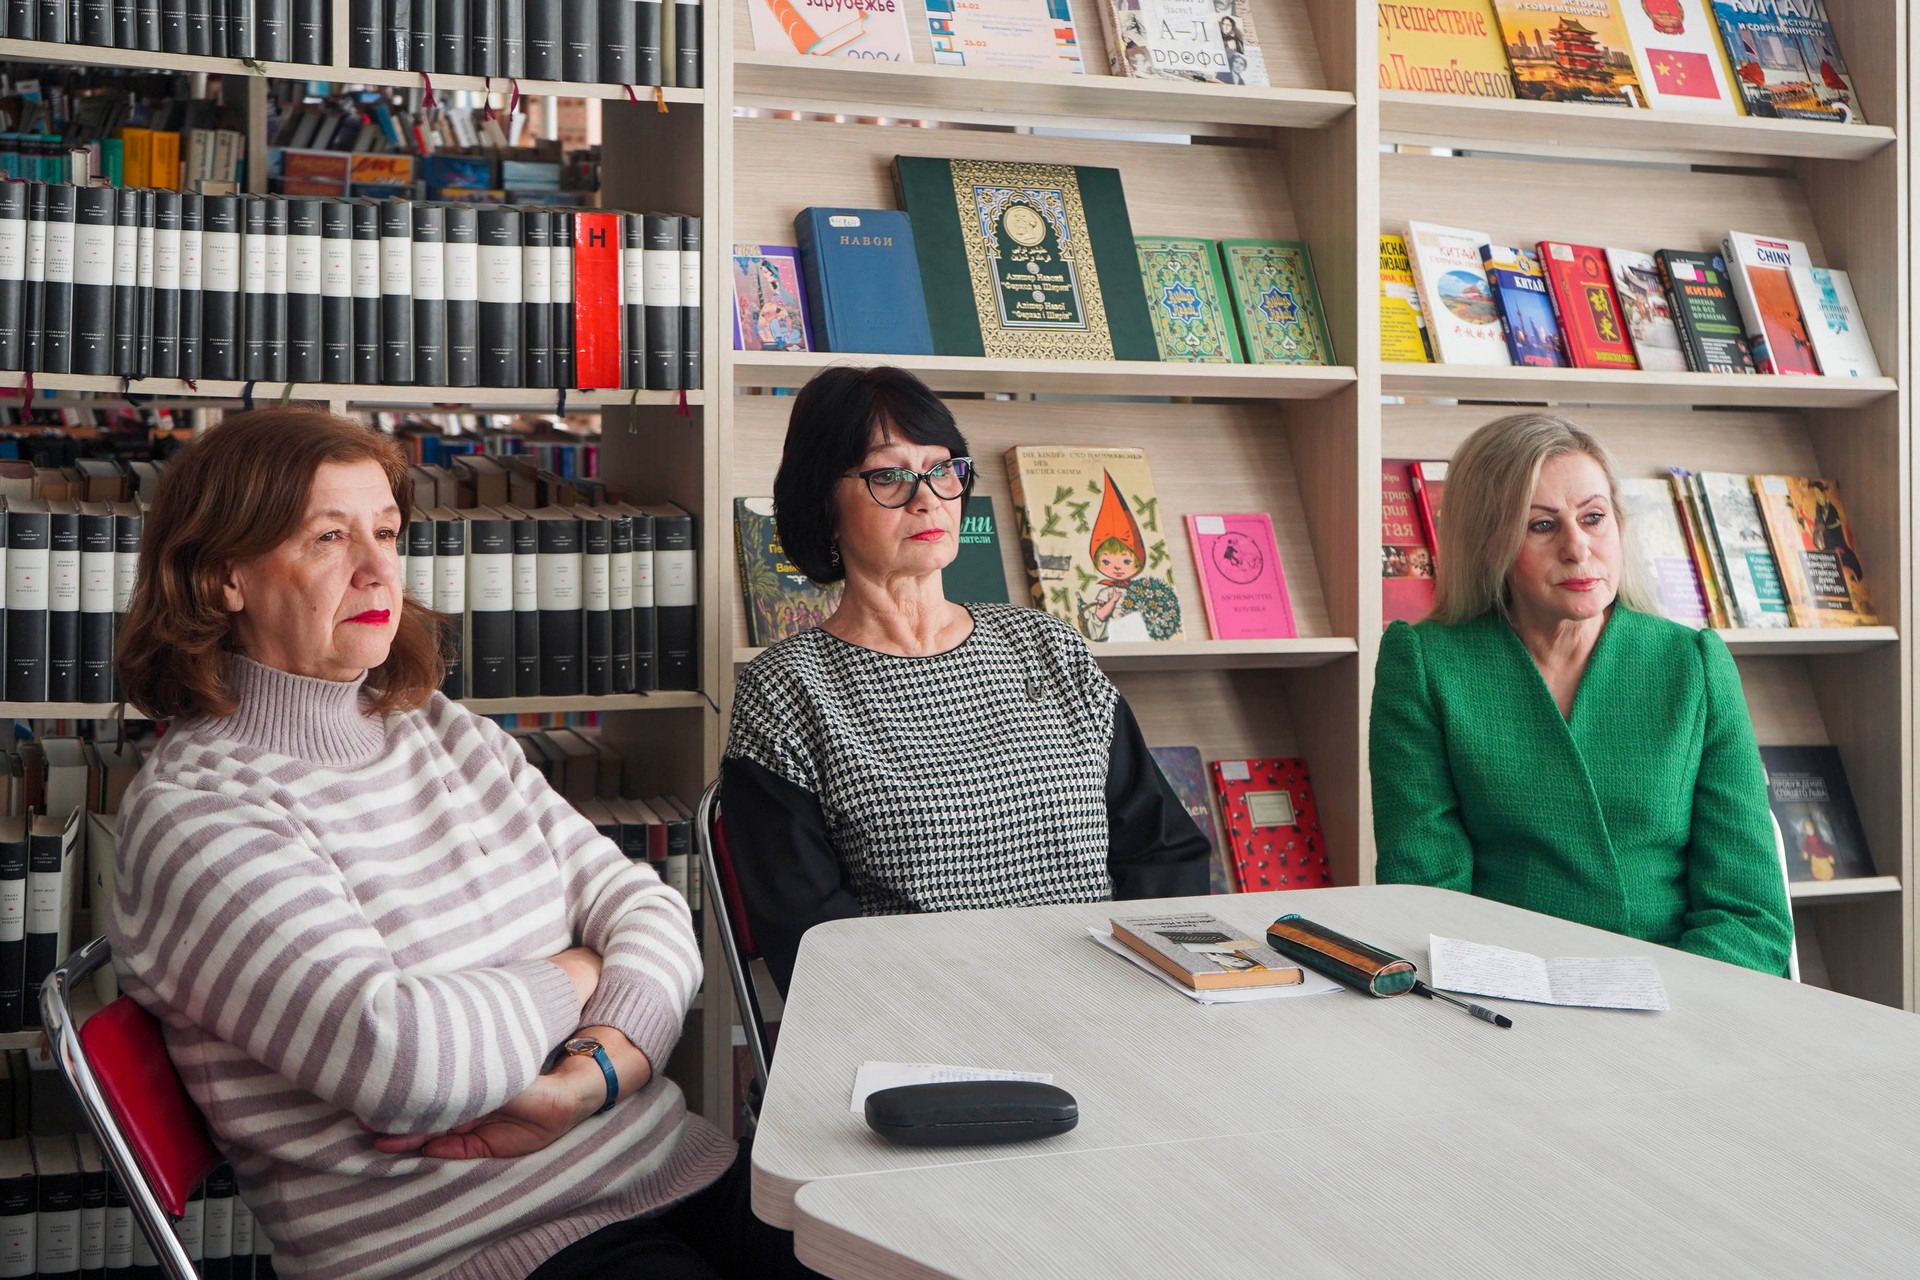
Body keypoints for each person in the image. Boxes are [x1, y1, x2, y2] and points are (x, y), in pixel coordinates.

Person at [108, 410, 813, 1280]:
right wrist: (584, 969)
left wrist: (595, 1073)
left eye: (386, 532)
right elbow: (411, 1060)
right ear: (224, 577)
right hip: (481, 1248)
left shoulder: (441, 730)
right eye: (329, 536)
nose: (377, 569)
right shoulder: (198, 816)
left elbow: (649, 908)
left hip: (669, 1167)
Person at [722, 366, 1210, 993]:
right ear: (824, 505)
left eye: (942, 468)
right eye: (888, 476)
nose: (927, 497)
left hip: (1109, 1001)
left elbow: (1163, 852)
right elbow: (812, 939)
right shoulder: (786, 691)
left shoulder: (1047, 645)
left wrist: (1133, 994)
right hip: (925, 1024)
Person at [1368, 412, 1792, 976]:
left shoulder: (1694, 664)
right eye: (1542, 525)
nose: (1577, 547)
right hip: (1502, 995)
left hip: (1680, 994)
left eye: (1594, 517)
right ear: (1490, 543)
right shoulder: (1424, 664)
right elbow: (1425, 898)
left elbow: (1750, 914)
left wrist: (1669, 998)